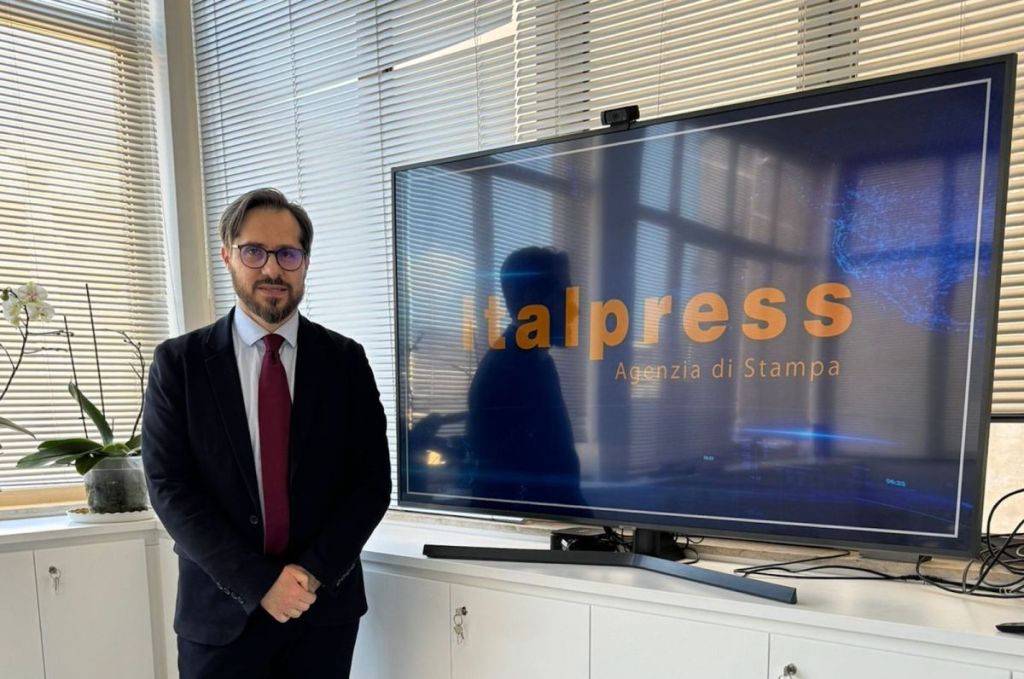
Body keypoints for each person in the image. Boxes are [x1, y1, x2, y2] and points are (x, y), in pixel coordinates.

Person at [142, 188, 391, 678]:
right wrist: (259, 583)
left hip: (320, 613)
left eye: (288, 254)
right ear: (227, 256)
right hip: (220, 614)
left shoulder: (345, 362)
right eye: (254, 252)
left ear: (305, 262)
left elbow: (370, 484)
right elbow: (170, 488)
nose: (272, 270)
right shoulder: (180, 364)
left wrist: (309, 575)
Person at [466, 246, 587, 511]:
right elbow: (535, 481)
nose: (575, 309)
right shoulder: (514, 367)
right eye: (565, 295)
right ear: (531, 298)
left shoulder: (529, 360)